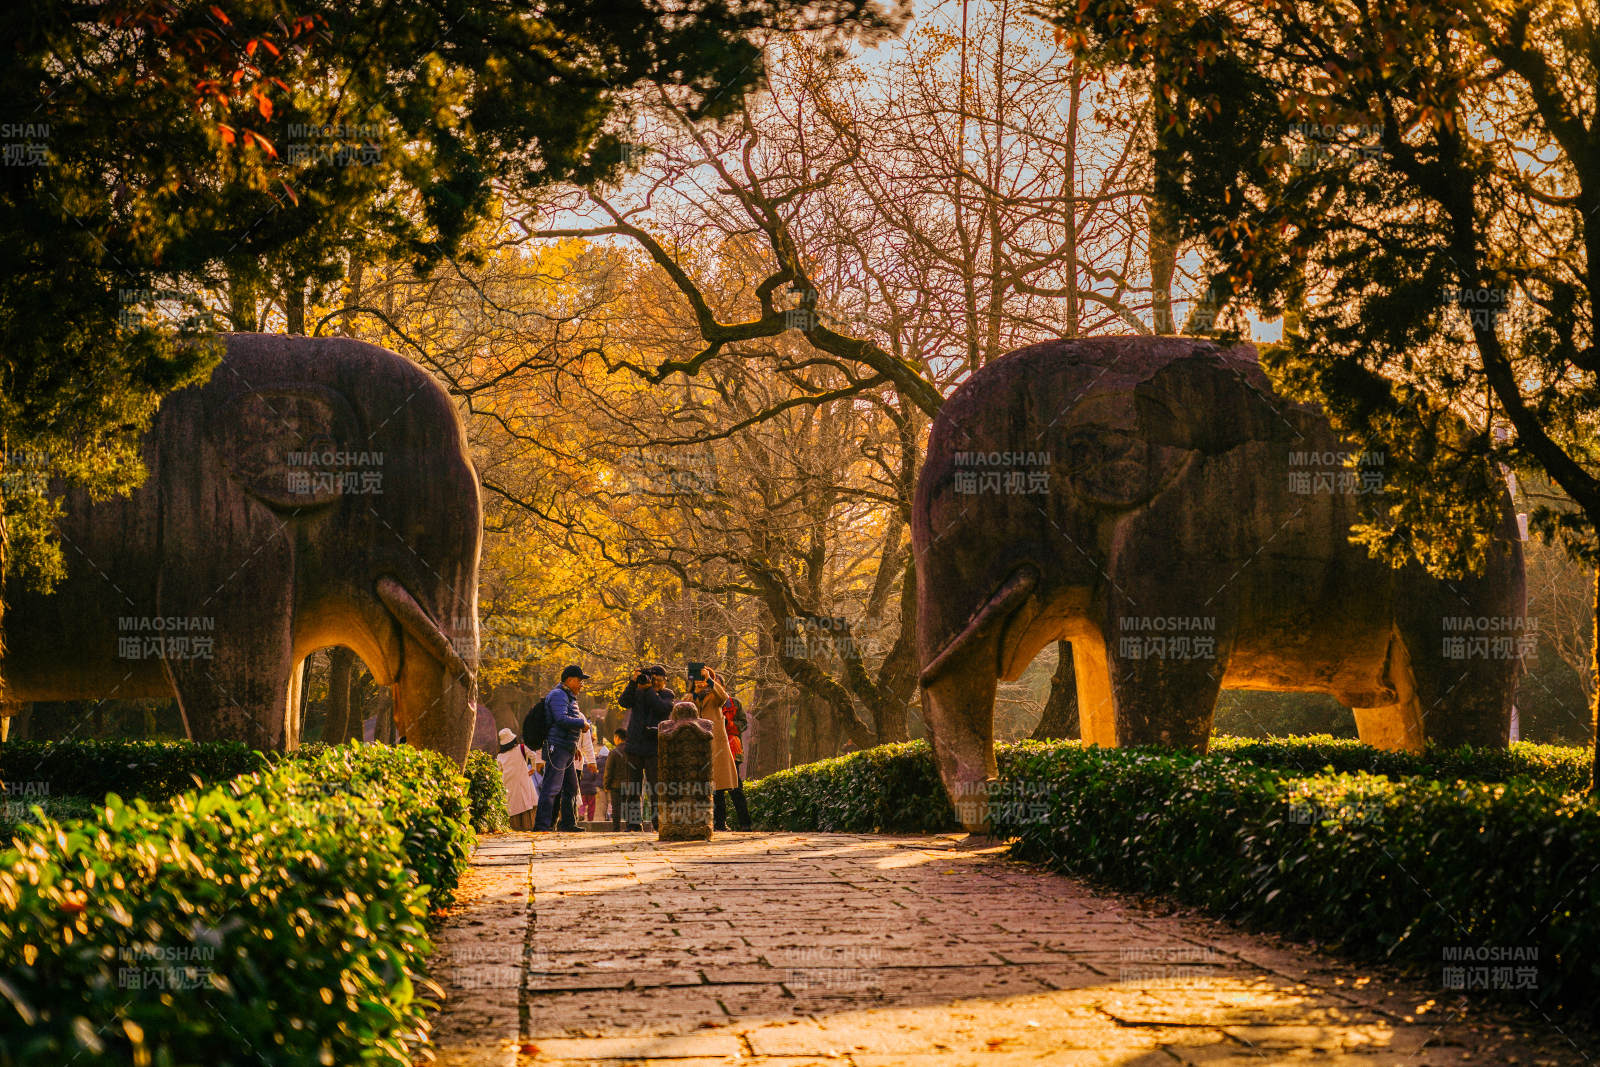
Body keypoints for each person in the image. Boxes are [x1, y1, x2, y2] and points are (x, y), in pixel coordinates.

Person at [690, 664, 748, 831]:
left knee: (727, 787)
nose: (701, 682)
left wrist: (709, 680)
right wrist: (695, 691)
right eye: (699, 679)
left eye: (706, 679)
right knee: (709, 789)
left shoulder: (719, 698)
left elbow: (723, 697)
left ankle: (736, 824)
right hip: (699, 747)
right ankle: (711, 822)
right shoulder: (691, 697)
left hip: (722, 746)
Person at [533, 665, 592, 832]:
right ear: (569, 680)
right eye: (580, 681)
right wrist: (582, 723)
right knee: (551, 788)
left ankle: (567, 823)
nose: (582, 685)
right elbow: (560, 719)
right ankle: (542, 825)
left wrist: (575, 746)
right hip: (557, 747)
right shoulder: (559, 695)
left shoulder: (568, 696)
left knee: (571, 787)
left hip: (567, 747)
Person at [619, 664, 674, 830]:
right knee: (633, 789)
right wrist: (632, 682)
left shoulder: (667, 694)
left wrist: (649, 689)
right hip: (634, 745)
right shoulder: (637, 690)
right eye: (653, 679)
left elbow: (661, 709)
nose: (655, 682)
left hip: (653, 746)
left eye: (658, 679)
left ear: (664, 680)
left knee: (655, 788)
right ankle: (633, 823)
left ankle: (658, 823)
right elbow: (623, 702)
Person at [495, 727, 539, 831]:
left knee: (513, 807)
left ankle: (515, 828)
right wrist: (533, 768)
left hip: (508, 785)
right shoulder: (521, 748)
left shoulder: (500, 756)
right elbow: (533, 755)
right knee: (526, 804)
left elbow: (498, 772)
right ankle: (529, 826)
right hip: (523, 782)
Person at [602, 727, 630, 830]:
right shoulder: (631, 751)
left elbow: (608, 771)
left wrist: (606, 785)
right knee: (630, 806)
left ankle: (616, 828)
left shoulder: (613, 752)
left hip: (616, 785)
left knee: (616, 808)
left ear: (617, 737)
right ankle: (631, 827)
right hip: (630, 784)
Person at [578, 723, 602, 822]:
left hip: (583, 788)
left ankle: (581, 814)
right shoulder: (591, 766)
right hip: (591, 789)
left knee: (583, 804)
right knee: (592, 805)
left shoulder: (581, 765)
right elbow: (595, 776)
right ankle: (590, 819)